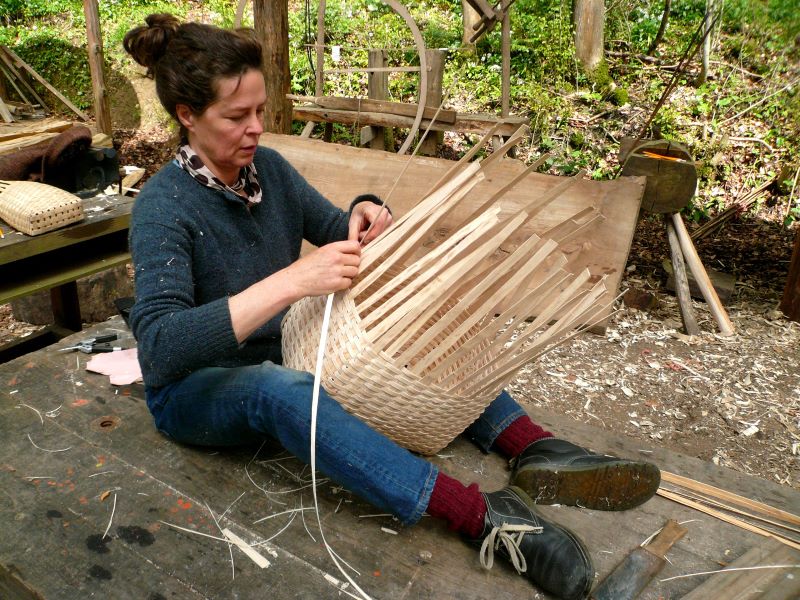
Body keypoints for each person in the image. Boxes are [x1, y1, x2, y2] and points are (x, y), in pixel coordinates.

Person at [123, 14, 660, 600]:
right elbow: (162, 349)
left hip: (280, 348)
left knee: (412, 323)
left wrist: (365, 214)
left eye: (260, 110)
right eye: (236, 117)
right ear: (186, 116)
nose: (256, 128)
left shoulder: (267, 171)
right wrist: (291, 281)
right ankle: (479, 516)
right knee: (275, 391)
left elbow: (335, 225)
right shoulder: (162, 208)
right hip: (197, 392)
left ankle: (532, 447)